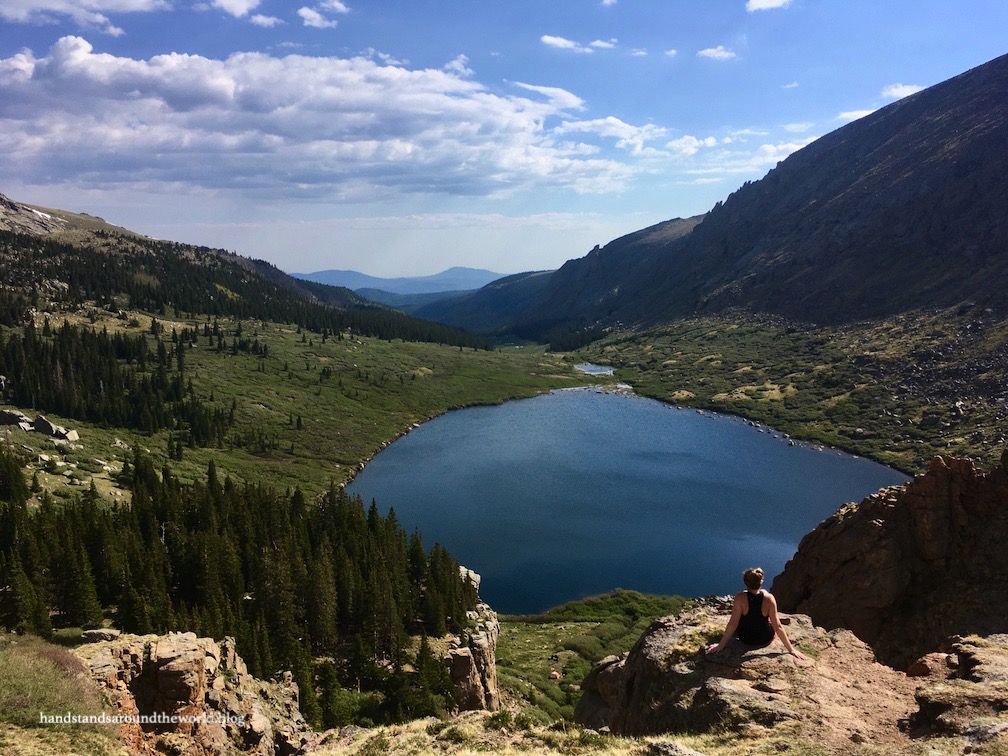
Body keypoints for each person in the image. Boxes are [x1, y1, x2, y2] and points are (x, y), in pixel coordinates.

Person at [705, 567, 808, 660]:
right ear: (761, 581)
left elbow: (733, 623)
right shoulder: (769, 598)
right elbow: (778, 626)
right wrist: (791, 650)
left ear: (745, 583)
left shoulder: (740, 598)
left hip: (746, 638)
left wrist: (720, 645)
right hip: (765, 638)